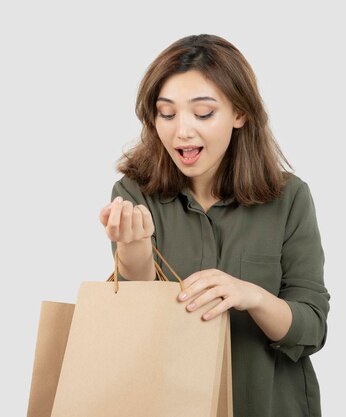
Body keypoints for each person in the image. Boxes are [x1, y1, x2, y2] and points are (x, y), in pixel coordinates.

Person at [99, 34, 330, 417]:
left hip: (271, 405)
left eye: (203, 113)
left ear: (240, 114)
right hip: (169, 404)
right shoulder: (134, 192)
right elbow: (136, 318)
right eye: (167, 114)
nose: (181, 131)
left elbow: (311, 328)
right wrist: (133, 248)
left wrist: (252, 296)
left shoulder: (289, 198)